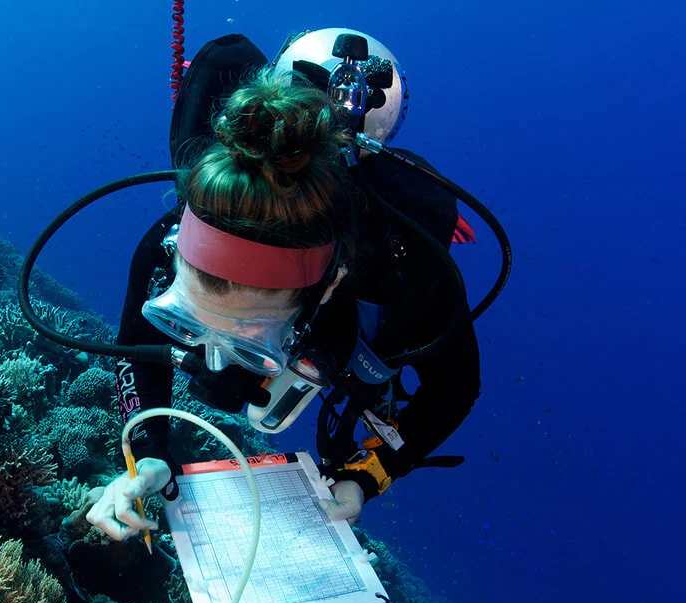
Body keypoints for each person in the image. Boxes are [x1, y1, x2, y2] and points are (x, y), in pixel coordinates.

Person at [87, 28, 482, 541]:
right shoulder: (172, 238)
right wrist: (147, 458)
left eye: (251, 338)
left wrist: (364, 475)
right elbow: (136, 348)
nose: (211, 359)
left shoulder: (402, 275)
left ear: (326, 287)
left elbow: (454, 389)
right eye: (185, 320)